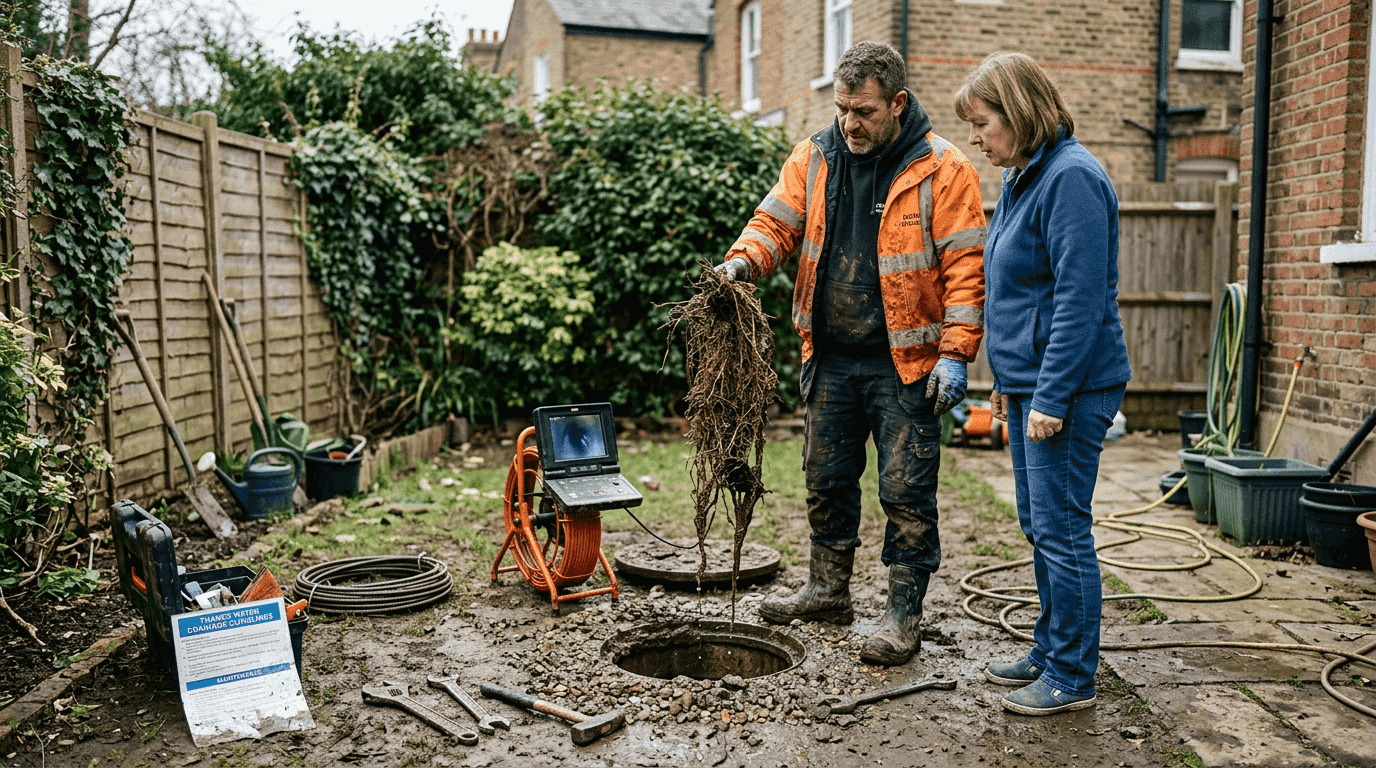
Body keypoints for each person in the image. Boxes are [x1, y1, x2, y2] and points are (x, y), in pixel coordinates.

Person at [716, 41, 986, 667]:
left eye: (862, 111)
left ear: (896, 104)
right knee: (826, 480)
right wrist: (739, 263)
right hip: (831, 357)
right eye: (841, 108)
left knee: (906, 492)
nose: (849, 123)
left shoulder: (944, 169)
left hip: (907, 367)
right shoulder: (816, 155)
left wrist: (956, 353)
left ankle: (902, 613)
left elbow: (967, 271)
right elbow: (774, 224)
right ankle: (828, 591)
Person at [953, 52, 1132, 715]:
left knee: (1062, 528)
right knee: (1039, 523)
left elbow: (1080, 303)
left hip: (1074, 389)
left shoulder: (1072, 179)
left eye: (983, 122)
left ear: (1019, 111)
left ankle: (1071, 676)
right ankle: (1051, 646)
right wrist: (1007, 382)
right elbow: (1016, 293)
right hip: (1032, 385)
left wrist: (1051, 396)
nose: (977, 137)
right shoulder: (1028, 173)